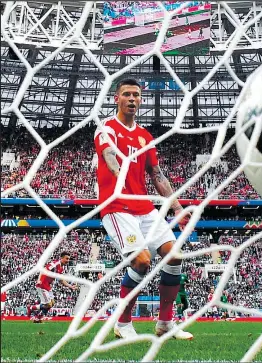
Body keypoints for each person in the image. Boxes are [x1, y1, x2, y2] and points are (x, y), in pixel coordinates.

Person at [94, 78, 193, 340]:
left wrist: (178, 208)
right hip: (117, 206)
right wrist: (120, 176)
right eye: (126, 94)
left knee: (174, 256)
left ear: (140, 100)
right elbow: (109, 157)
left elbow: (158, 176)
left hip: (144, 207)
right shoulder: (107, 128)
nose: (132, 99)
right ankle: (123, 323)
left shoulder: (145, 137)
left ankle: (165, 323)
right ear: (116, 98)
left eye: (136, 95)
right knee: (141, 261)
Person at [28, 252, 78, 321]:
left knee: (52, 303)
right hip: (42, 284)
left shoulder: (61, 268)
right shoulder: (55, 264)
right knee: (48, 304)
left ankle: (40, 316)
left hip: (48, 285)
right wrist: (40, 280)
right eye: (66, 258)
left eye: (69, 259)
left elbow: (61, 280)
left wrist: (70, 286)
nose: (68, 260)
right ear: (61, 258)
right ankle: (32, 309)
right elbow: (44, 270)